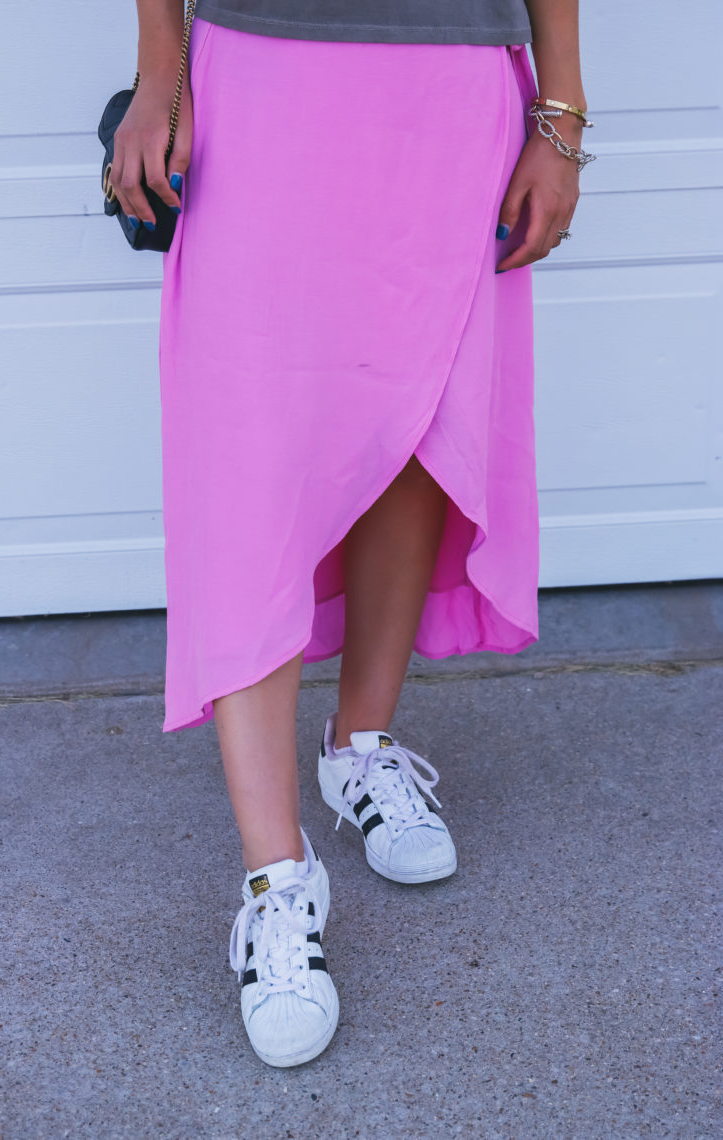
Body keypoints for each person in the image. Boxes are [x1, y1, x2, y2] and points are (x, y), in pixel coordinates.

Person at [109, 0, 591, 1068]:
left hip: (453, 77)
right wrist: (159, 73)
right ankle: (278, 883)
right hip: (260, 66)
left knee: (422, 413)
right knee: (249, 460)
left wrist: (558, 115)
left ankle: (359, 744)